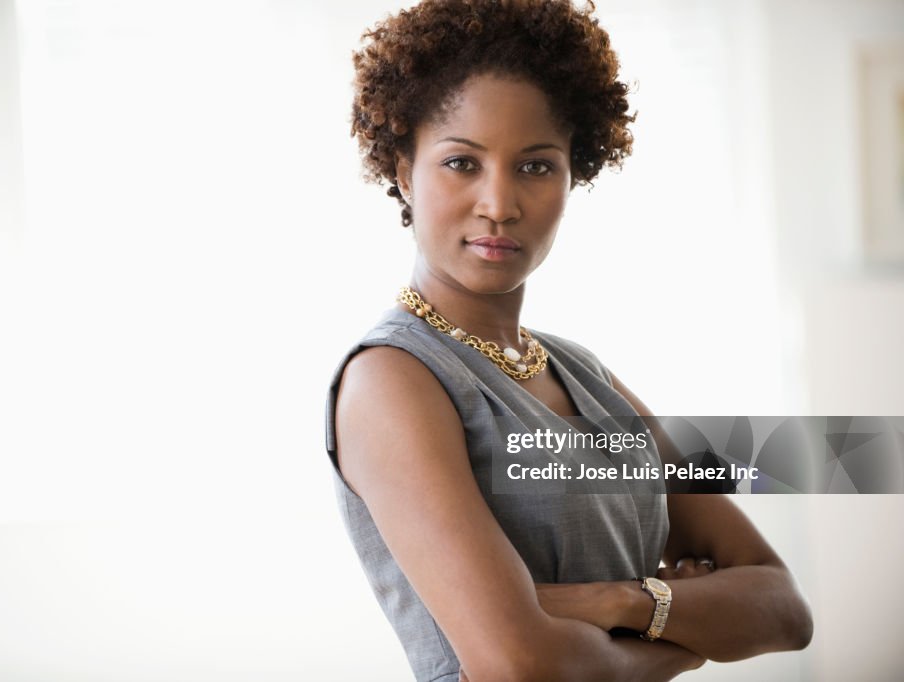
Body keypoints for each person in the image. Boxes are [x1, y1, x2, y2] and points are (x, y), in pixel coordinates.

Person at [324, 1, 813, 680]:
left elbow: (785, 607)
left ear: (572, 175)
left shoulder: (587, 375)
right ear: (404, 172)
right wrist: (693, 628)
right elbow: (521, 665)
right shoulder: (393, 379)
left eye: (535, 166)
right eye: (462, 162)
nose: (499, 203)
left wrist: (616, 601)